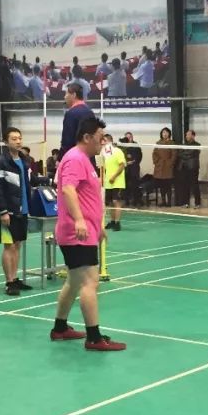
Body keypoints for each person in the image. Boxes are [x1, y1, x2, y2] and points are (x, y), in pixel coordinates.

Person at [52, 116, 126, 351]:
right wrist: (80, 220)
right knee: (89, 282)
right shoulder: (75, 159)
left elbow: (87, 197)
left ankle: (60, 328)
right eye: (99, 138)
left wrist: (97, 226)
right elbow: (68, 190)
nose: (103, 142)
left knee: (74, 281)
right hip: (76, 234)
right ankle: (94, 338)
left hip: (85, 232)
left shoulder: (85, 160)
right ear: (86, 137)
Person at [0, 127, 34, 297]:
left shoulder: (24, 160)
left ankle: (15, 278)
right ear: (6, 142)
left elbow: (30, 181)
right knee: (9, 246)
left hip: (23, 210)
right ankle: (9, 282)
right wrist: (3, 211)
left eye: (19, 138)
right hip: (8, 211)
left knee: (17, 245)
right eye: (14, 139)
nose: (18, 141)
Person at [60, 83, 95, 157]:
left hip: (75, 158)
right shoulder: (90, 112)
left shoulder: (71, 114)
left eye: (66, 94)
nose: (64, 97)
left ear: (74, 95)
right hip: (89, 157)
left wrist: (60, 159)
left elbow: (67, 141)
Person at [101, 134, 126, 231]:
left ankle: (117, 223)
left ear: (110, 141)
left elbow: (122, 165)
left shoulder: (118, 151)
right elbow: (101, 167)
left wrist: (114, 177)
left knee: (116, 201)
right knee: (110, 203)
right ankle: (112, 221)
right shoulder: (104, 153)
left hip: (117, 181)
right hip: (108, 182)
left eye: (104, 140)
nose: (103, 142)